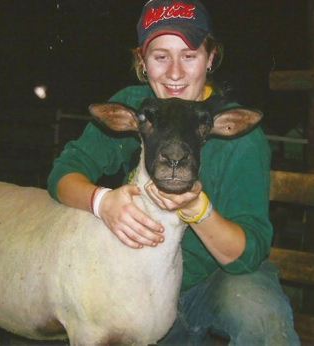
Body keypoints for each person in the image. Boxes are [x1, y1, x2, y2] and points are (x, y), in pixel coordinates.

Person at [47, 0, 300, 344]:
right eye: (161, 57)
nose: (175, 73)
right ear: (142, 62)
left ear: (210, 58)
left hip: (215, 279)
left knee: (260, 314)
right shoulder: (137, 109)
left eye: (190, 55)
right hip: (139, 283)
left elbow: (248, 252)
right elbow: (64, 174)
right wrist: (102, 201)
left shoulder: (239, 136)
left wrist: (199, 211)